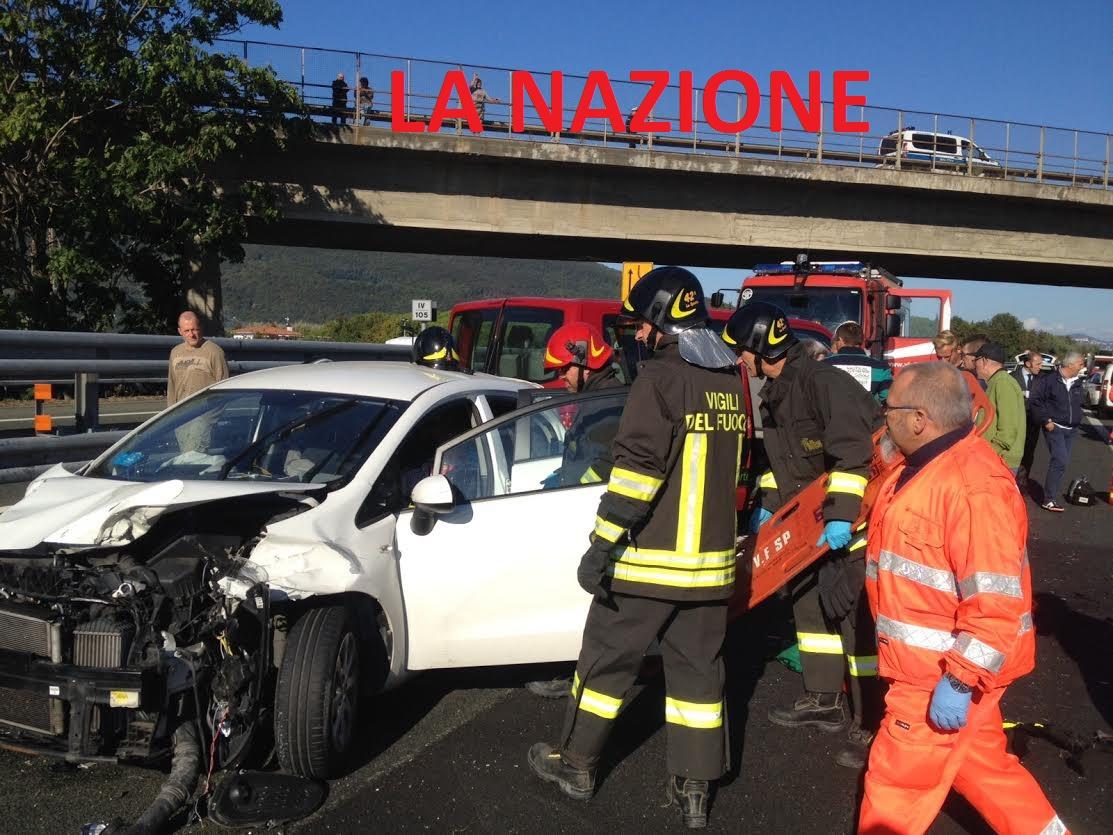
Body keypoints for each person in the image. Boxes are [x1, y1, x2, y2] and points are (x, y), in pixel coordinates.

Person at [527, 267, 745, 829]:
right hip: (711, 568)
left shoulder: (659, 378)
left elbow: (637, 474)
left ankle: (575, 764)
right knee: (699, 678)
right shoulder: (728, 381)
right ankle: (695, 792)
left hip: (648, 563)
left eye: (642, 322)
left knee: (604, 667)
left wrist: (601, 546)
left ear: (659, 320)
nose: (638, 334)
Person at [859, 361, 1067, 835]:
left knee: (896, 788)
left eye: (888, 409)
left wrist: (959, 679)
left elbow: (996, 601)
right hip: (931, 666)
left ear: (919, 418)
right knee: (984, 770)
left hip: (939, 673)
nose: (882, 417)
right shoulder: (919, 467)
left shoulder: (973, 488)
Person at [722, 302, 882, 770]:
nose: (739, 361)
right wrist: (770, 510)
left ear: (760, 347)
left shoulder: (823, 383)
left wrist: (842, 518)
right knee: (809, 609)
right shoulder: (777, 392)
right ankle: (823, 698)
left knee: (855, 621)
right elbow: (783, 465)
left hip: (851, 526)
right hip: (807, 525)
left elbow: (854, 458)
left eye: (742, 351)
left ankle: (872, 720)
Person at [526, 322, 628, 700]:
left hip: (590, 512)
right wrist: (560, 477)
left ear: (585, 362)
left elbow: (605, 463)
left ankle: (577, 670)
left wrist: (570, 486)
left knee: (583, 598)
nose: (561, 379)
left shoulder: (606, 406)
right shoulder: (599, 400)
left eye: (564, 370)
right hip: (581, 507)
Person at [1030, 351, 1086, 512]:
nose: (1082, 367)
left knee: (1062, 463)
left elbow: (1077, 404)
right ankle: (1048, 499)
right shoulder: (1049, 380)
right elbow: (1035, 401)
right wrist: (1046, 421)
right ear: (1070, 364)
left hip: (1071, 429)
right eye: (1080, 364)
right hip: (1055, 427)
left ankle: (1051, 495)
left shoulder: (1077, 382)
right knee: (1060, 460)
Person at [972, 341, 1026, 474]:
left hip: (1000, 460)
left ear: (984, 361)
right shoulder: (997, 382)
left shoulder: (1002, 383)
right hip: (996, 458)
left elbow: (1007, 432)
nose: (975, 365)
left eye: (976, 361)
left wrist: (987, 453)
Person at [168, 311, 229, 406]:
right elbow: (171, 386)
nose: (191, 334)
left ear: (200, 328)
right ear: (180, 331)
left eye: (194, 329)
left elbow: (223, 388)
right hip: (181, 413)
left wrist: (214, 415)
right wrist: (170, 413)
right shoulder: (175, 353)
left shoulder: (215, 352)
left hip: (205, 414)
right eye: (186, 331)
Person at [825, 321, 893, 402]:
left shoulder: (823, 365)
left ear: (841, 340)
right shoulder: (881, 368)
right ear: (861, 341)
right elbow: (889, 400)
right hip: (868, 414)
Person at [1010, 350, 1045, 486]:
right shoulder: (1012, 377)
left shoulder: (1042, 379)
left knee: (1029, 454)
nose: (1040, 367)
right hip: (1016, 423)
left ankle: (1022, 484)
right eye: (1038, 364)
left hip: (1032, 424)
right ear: (1028, 363)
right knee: (1014, 454)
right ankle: (1010, 481)